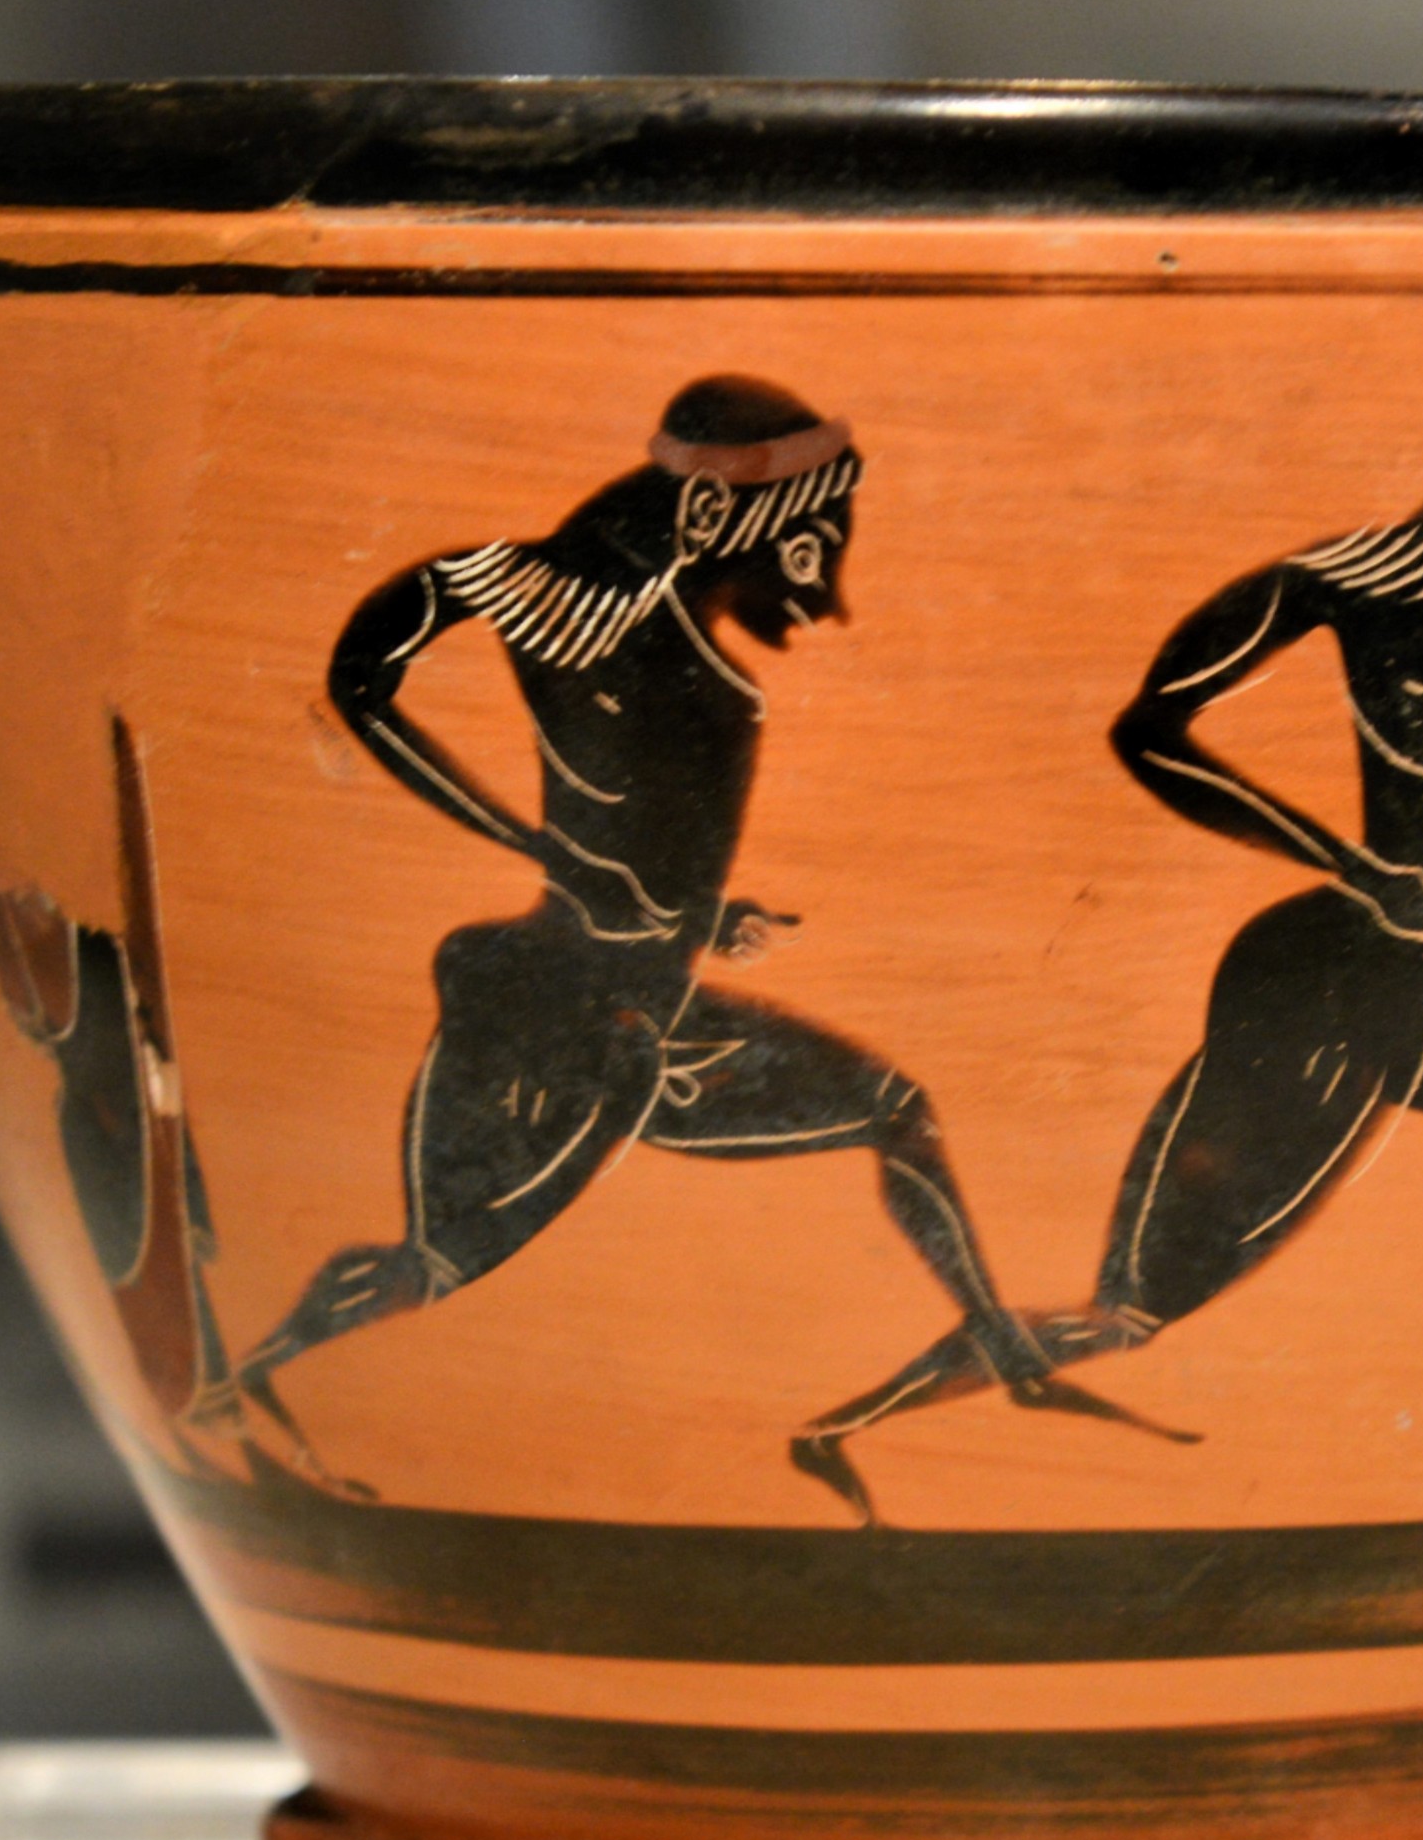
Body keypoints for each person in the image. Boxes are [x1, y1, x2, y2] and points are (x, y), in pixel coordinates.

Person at [790, 372, 1423, 1508]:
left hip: (1420, 974)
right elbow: (1152, 730)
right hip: (1334, 988)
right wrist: (1355, 865)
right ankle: (838, 1424)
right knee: (1130, 1311)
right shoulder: (1389, 588)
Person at [211, 374, 1125, 1517]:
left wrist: (705, 915)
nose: (824, 597)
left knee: (899, 1109)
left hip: (649, 1006)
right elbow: (364, 684)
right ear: (707, 516)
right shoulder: (596, 629)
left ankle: (1006, 1354)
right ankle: (241, 1380)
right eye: (803, 553)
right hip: (566, 1018)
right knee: (438, 1260)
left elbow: (638, 846)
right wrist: (539, 847)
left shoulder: (641, 641)